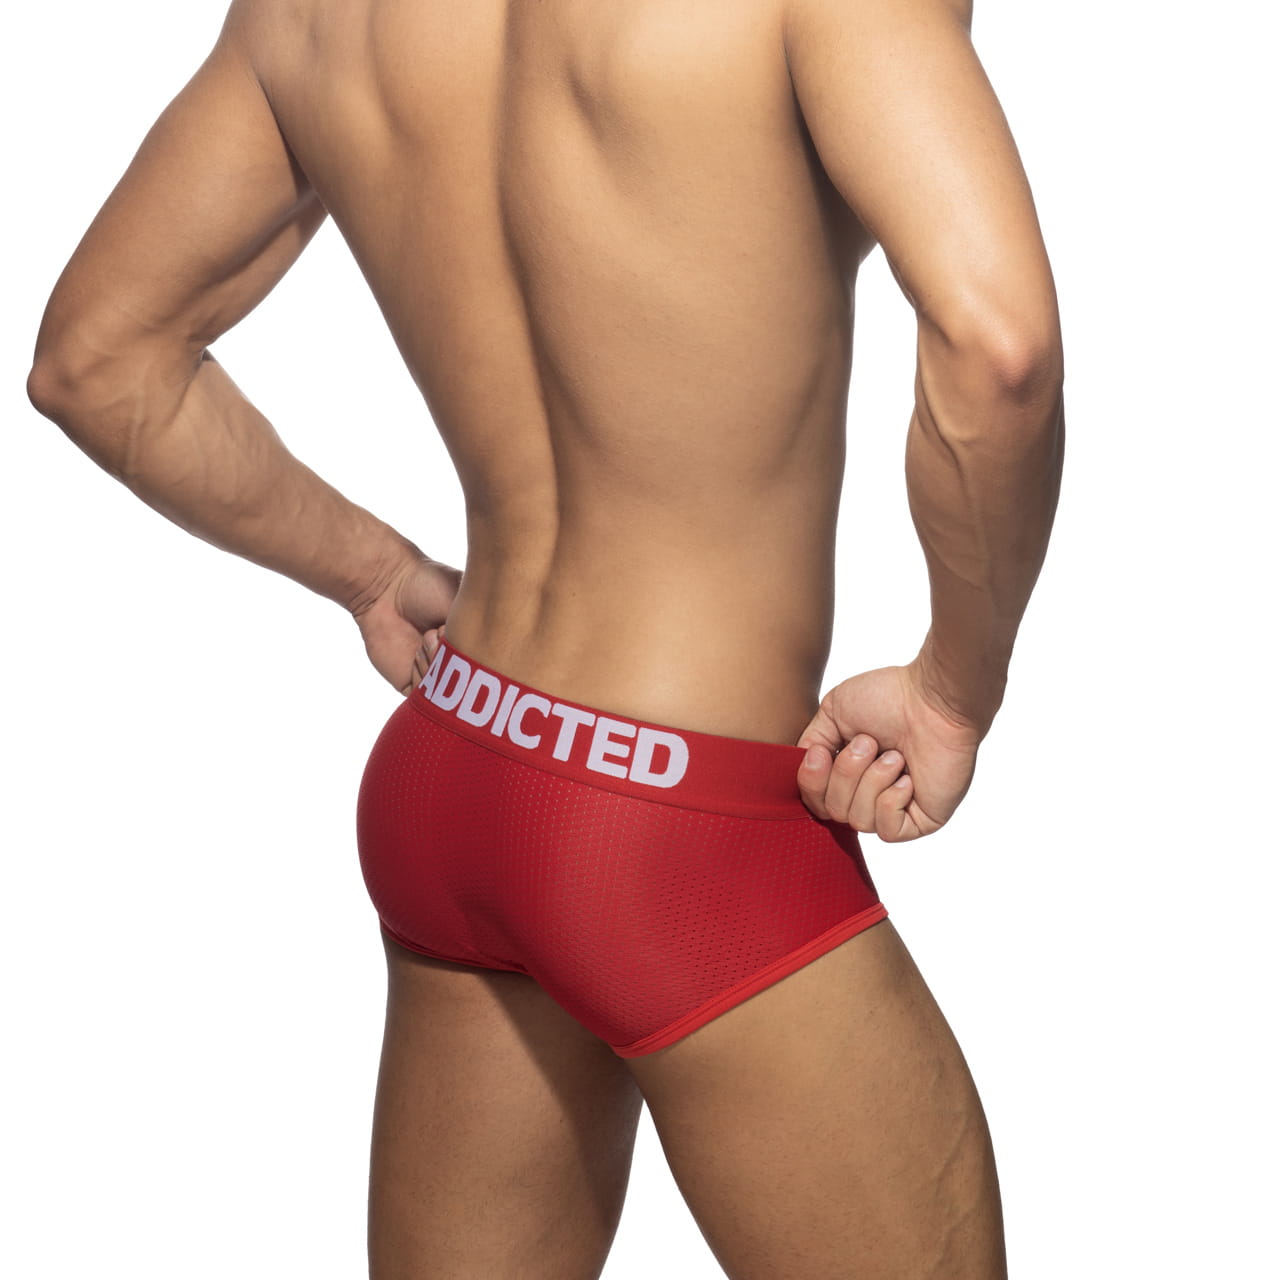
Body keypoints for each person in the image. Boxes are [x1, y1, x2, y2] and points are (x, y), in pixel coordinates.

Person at [26, 0, 1064, 1274]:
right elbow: (997, 348)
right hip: (681, 823)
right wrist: (954, 687)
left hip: (458, 756)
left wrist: (372, 572)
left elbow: (94, 360)